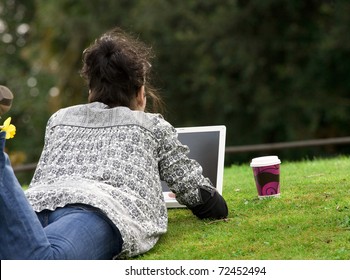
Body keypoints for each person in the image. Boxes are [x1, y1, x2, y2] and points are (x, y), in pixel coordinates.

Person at [0, 28, 228, 260]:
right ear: (141, 93)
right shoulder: (150, 125)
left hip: (34, 207)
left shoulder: (59, 119)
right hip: (98, 211)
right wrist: (217, 206)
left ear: (91, 90)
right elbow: (199, 195)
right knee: (44, 265)